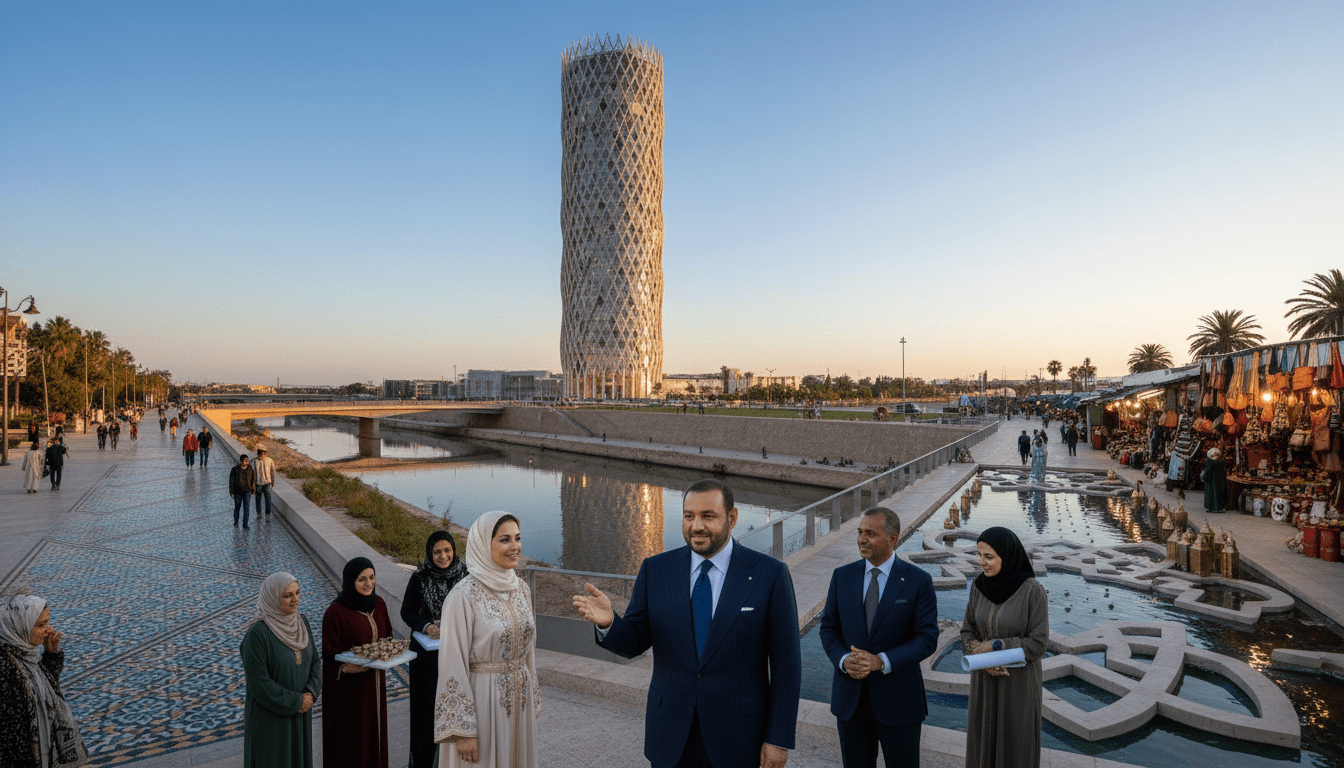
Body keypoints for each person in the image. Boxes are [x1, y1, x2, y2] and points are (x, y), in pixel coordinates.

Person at [572, 478, 801, 768]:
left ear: (731, 518)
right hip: (670, 735)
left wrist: (778, 739)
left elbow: (787, 667)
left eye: (708, 516)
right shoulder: (655, 570)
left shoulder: (770, 575)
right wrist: (609, 623)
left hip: (740, 738)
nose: (696, 526)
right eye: (689, 516)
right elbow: (634, 643)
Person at [818, 508, 938, 768]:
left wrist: (881, 661)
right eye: (860, 532)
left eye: (870, 534)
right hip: (851, 702)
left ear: (892, 539)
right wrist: (843, 660)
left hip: (900, 704)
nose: (862, 539)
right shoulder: (842, 576)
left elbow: (927, 638)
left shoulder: (918, 581)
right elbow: (828, 628)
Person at [433, 512, 538, 768]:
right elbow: (451, 663)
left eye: (517, 538)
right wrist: (463, 730)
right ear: (483, 544)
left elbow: (529, 652)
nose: (515, 547)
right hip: (482, 705)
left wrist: (532, 696)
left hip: (519, 702)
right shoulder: (462, 596)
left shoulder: (521, 588)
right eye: (505, 540)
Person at [960, 527, 1048, 768]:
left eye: (989, 557)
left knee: (1015, 746)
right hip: (984, 681)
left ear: (1007, 556)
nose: (982, 563)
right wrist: (981, 658)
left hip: (1017, 684)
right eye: (979, 555)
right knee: (982, 742)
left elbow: (1039, 643)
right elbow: (967, 631)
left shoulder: (1032, 591)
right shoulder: (978, 587)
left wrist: (998, 646)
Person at [401, 531, 468, 768]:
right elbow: (406, 611)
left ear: (454, 550)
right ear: (430, 553)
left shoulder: (465, 576)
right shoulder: (419, 578)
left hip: (457, 651)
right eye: (437, 552)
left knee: (456, 705)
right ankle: (425, 761)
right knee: (427, 710)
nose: (443, 556)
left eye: (447, 550)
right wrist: (426, 625)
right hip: (426, 658)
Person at [241, 573, 321, 768]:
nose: (296, 600)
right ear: (273, 598)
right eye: (287, 596)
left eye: (297, 593)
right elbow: (260, 684)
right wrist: (297, 701)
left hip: (300, 715)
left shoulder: (301, 622)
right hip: (271, 721)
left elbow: (316, 662)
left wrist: (310, 692)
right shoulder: (257, 635)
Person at [0, 594, 89, 768]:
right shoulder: (5, 666)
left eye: (47, 622)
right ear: (20, 626)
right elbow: (11, 734)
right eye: (42, 625)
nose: (50, 630)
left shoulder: (24, 655)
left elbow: (43, 690)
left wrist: (51, 656)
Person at [322, 557, 393, 768]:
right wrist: (345, 668)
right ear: (350, 581)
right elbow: (327, 658)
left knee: (375, 738)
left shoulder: (379, 604)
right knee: (353, 745)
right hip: (350, 695)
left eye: (371, 578)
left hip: (375, 686)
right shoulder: (335, 613)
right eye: (361, 579)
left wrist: (389, 650)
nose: (368, 584)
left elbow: (387, 635)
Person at [231, 454, 258, 529]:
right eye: (244, 461)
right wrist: (232, 493)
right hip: (237, 491)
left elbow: (253, 479)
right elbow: (231, 482)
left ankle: (245, 524)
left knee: (246, 508)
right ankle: (236, 521)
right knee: (237, 507)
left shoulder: (250, 469)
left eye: (247, 461)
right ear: (241, 461)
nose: (246, 463)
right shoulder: (235, 469)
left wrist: (253, 488)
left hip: (247, 491)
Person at [254, 448, 277, 521]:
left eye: (264, 454)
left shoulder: (269, 460)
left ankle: (267, 515)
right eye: (261, 454)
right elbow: (252, 473)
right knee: (258, 500)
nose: (263, 456)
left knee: (268, 500)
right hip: (258, 483)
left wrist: (272, 482)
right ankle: (259, 514)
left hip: (267, 483)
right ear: (258, 454)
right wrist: (252, 485)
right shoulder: (255, 461)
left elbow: (273, 472)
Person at [1202, 448, 1227, 513]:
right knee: (1219, 493)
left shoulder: (1210, 462)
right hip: (1220, 481)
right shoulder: (1221, 462)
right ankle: (1218, 507)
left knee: (1211, 494)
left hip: (1210, 482)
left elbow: (1207, 472)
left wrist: (1205, 478)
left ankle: (1211, 507)